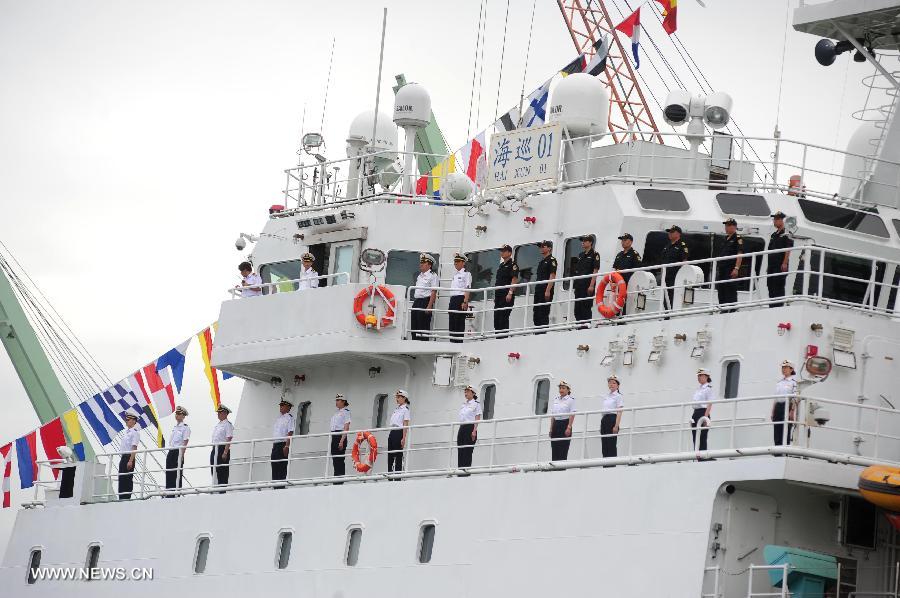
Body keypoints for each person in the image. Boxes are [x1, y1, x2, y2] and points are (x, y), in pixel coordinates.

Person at [714, 219, 744, 311]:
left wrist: (736, 268)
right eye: (726, 225)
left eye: (728, 225)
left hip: (730, 269)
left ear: (734, 227)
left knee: (730, 290)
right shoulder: (725, 239)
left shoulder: (737, 238)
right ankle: (723, 310)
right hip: (722, 269)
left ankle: (732, 311)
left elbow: (740, 253)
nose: (726, 227)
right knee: (721, 291)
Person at [767, 211, 793, 307]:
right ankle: (772, 307)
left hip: (780, 265)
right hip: (771, 266)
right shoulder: (774, 235)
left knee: (778, 287)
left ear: (782, 220)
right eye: (774, 219)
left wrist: (785, 263)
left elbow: (788, 248)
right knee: (770, 287)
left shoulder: (787, 233)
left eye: (777, 219)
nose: (774, 221)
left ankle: (778, 307)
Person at [572, 235, 600, 325]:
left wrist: (591, 285)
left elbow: (595, 270)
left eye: (585, 241)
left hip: (587, 286)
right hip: (579, 286)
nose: (582, 242)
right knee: (577, 309)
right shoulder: (581, 255)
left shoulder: (595, 254)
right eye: (582, 241)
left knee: (585, 308)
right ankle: (579, 327)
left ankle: (585, 328)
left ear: (590, 242)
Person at [660, 225, 689, 310]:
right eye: (669, 232)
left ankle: (672, 314)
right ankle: (666, 314)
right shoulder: (667, 246)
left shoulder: (682, 245)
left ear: (678, 234)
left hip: (675, 277)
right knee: (665, 297)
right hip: (666, 277)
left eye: (672, 232)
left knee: (674, 296)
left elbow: (684, 261)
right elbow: (662, 261)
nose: (670, 234)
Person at [411, 254, 439, 340]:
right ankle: (414, 343)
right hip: (417, 302)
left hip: (425, 302)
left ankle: (423, 344)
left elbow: (434, 291)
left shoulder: (433, 275)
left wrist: (429, 306)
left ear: (429, 265)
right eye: (421, 262)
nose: (421, 264)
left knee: (423, 326)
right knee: (414, 325)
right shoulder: (420, 276)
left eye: (423, 262)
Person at [493, 244, 519, 336]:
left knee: (503, 318)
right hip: (498, 295)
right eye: (501, 251)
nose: (502, 253)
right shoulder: (501, 266)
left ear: (509, 253)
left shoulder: (513, 265)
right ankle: (498, 338)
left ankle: (503, 339)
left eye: (504, 251)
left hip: (506, 295)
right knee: (497, 319)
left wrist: (510, 293)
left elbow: (514, 279)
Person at [612, 234, 641, 315]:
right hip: (619, 284)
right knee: (618, 302)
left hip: (629, 283)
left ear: (630, 242)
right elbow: (615, 269)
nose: (623, 242)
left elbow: (637, 269)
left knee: (626, 303)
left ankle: (623, 319)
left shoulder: (634, 254)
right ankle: (618, 318)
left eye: (625, 240)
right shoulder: (619, 255)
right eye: (622, 240)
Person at [165, 406, 190, 496]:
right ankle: (169, 493)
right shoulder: (175, 427)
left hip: (178, 452)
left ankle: (176, 494)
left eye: (179, 414)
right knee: (169, 472)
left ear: (183, 416)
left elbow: (185, 442)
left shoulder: (185, 428)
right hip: (171, 451)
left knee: (177, 473)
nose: (177, 415)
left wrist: (181, 455)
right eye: (176, 413)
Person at [533, 240, 558, 332]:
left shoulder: (552, 260)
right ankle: (537, 332)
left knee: (543, 312)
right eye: (541, 246)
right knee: (536, 312)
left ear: (549, 248)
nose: (541, 248)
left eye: (543, 246)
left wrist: (547, 290)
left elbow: (552, 276)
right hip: (538, 290)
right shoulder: (541, 262)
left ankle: (542, 333)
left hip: (545, 290)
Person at [772, 360, 798, 446]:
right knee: (777, 429)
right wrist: (773, 411)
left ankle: (784, 450)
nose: (783, 369)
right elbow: (776, 398)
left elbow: (794, 397)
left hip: (787, 406)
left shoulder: (793, 383)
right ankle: (777, 451)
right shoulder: (779, 383)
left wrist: (792, 411)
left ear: (791, 369)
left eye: (786, 368)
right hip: (778, 407)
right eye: (782, 368)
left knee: (786, 428)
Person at [548, 381, 576, 461]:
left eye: (563, 388)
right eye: (560, 388)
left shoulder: (571, 400)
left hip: (565, 423)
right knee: (554, 447)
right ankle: (555, 467)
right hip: (556, 424)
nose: (561, 390)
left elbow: (572, 414)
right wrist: (551, 428)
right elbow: (553, 415)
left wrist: (569, 427)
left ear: (568, 390)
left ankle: (561, 469)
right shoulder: (556, 400)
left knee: (563, 448)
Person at [457, 385, 483, 469]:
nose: (465, 393)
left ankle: (466, 471)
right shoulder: (463, 405)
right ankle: (460, 470)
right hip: (462, 427)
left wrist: (474, 431)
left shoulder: (476, 404)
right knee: (460, 449)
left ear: (473, 393)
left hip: (470, 428)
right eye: (465, 391)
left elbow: (477, 418)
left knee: (467, 451)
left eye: (467, 391)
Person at [448, 253, 472, 343]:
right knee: (452, 323)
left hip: (460, 299)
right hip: (453, 299)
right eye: (455, 261)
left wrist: (465, 302)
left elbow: (467, 288)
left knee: (459, 323)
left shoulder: (467, 274)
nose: (455, 263)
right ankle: (452, 342)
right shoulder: (455, 275)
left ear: (463, 263)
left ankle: (458, 343)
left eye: (457, 261)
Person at [210, 405, 234, 492]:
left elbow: (229, 438)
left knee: (222, 472)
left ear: (225, 413)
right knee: (214, 470)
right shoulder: (218, 425)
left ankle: (222, 491)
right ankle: (216, 489)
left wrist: (225, 452)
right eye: (218, 413)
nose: (218, 414)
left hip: (222, 449)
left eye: (220, 413)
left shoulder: (227, 425)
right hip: (215, 449)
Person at [271, 399, 295, 485]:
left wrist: (287, 446)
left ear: (288, 407)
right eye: (280, 406)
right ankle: (274, 485)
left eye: (282, 406)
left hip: (283, 444)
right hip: (276, 444)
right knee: (274, 465)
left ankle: (280, 486)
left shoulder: (289, 418)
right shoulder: (278, 418)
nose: (280, 407)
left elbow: (290, 432)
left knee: (281, 466)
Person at [388, 389, 411, 475]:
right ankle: (389, 473)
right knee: (390, 454)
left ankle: (398, 475)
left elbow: (405, 424)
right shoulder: (397, 409)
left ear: (404, 398)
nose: (396, 399)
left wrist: (403, 438)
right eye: (396, 397)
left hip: (399, 432)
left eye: (398, 397)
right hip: (392, 431)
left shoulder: (405, 409)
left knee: (398, 455)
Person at [329, 394, 352, 483]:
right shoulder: (336, 413)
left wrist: (342, 441)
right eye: (336, 400)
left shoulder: (346, 412)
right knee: (335, 458)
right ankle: (336, 478)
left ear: (343, 402)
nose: (336, 402)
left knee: (339, 459)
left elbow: (346, 427)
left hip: (340, 436)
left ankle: (339, 480)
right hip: (334, 436)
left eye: (338, 400)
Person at [118, 413, 141, 500]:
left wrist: (131, 461)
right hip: (124, 457)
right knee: (122, 477)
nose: (126, 421)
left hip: (129, 457)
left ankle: (126, 497)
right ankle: (121, 497)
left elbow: (134, 447)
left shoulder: (135, 433)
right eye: (126, 420)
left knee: (127, 478)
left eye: (128, 420)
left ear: (133, 421)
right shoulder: (126, 433)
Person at [601, 376, 624, 458]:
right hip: (605, 419)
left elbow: (619, 411)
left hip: (612, 419)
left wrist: (616, 426)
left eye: (614, 383)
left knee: (611, 443)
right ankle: (605, 464)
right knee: (604, 444)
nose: (611, 384)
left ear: (618, 385)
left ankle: (611, 465)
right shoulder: (606, 396)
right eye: (610, 382)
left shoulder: (618, 396)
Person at [691, 369, 713, 452]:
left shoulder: (708, 388)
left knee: (702, 436)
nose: (699, 377)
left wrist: (705, 417)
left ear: (706, 376)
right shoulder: (699, 389)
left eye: (701, 375)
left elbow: (710, 403)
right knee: (695, 436)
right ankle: (697, 455)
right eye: (698, 376)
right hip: (696, 413)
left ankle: (703, 456)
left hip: (703, 413)